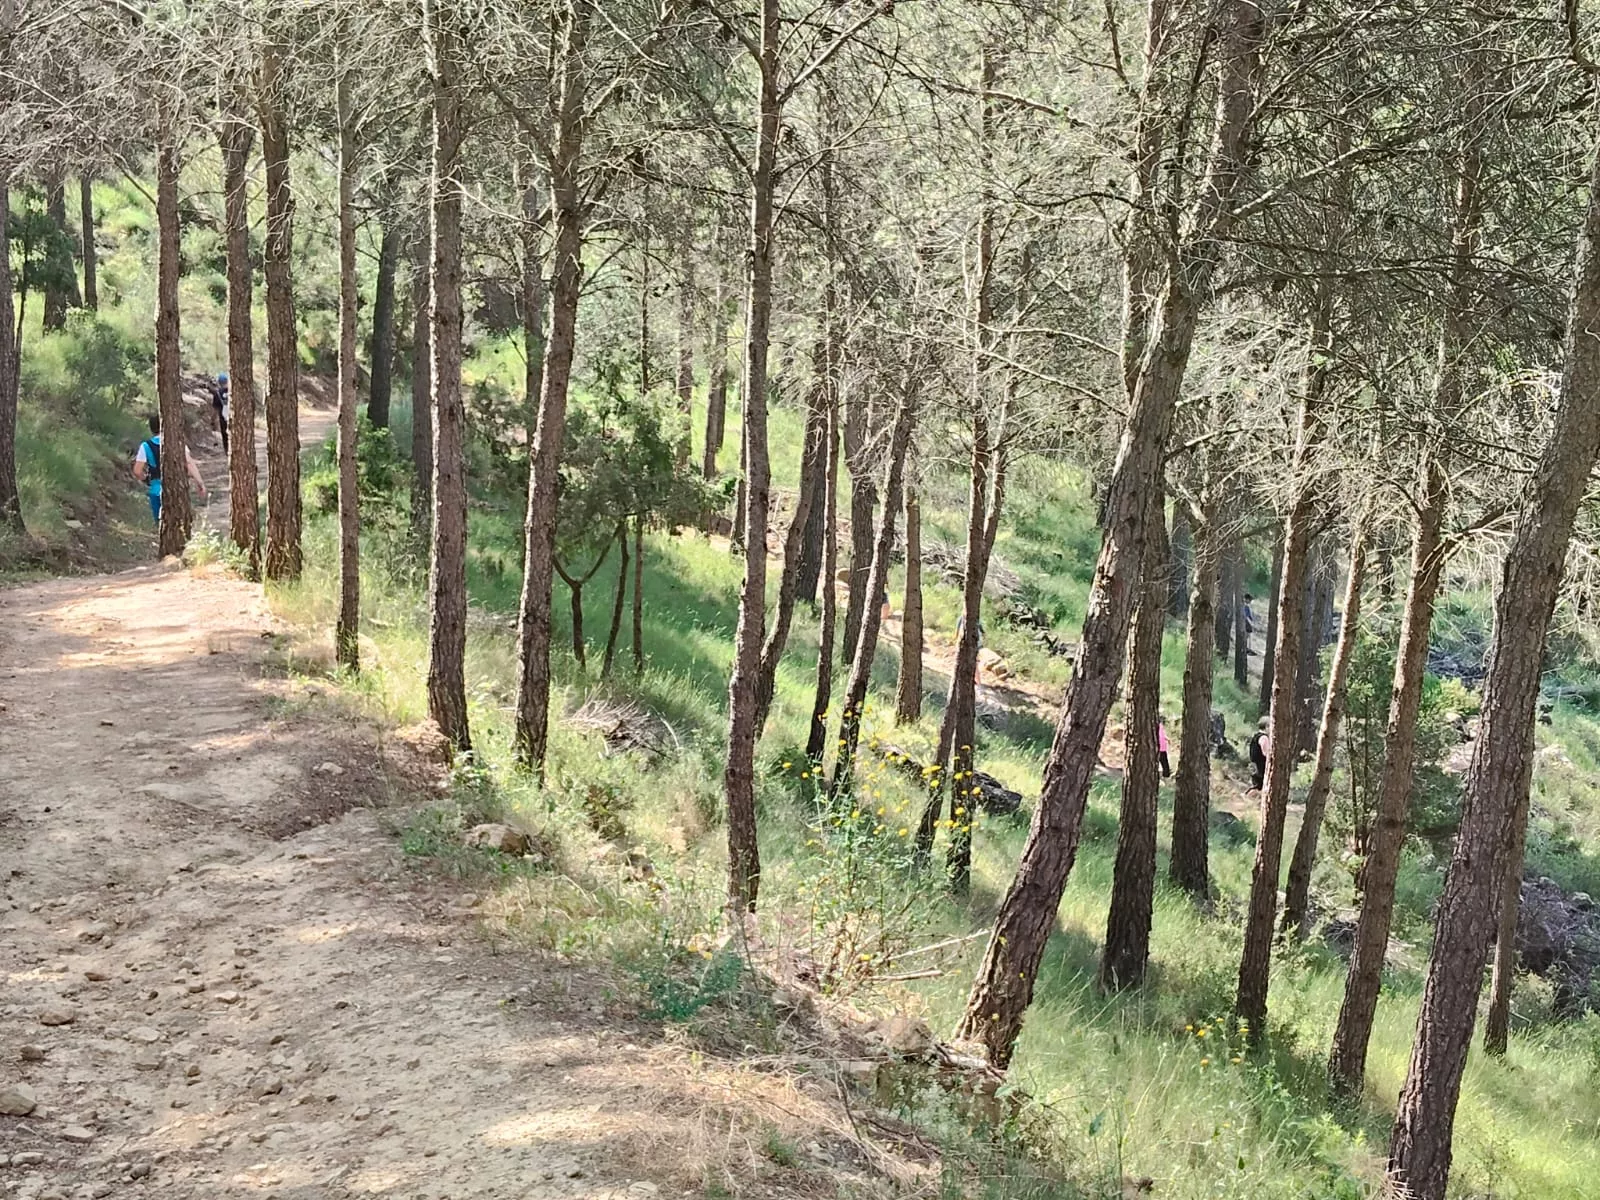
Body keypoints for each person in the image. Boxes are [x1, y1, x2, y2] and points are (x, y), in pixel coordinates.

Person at [133, 414, 208, 525]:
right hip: (177, 488)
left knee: (161, 525)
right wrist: (200, 483)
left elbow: (137, 471)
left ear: (151, 428)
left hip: (156, 490)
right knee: (179, 523)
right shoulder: (177, 443)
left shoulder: (145, 446)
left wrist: (146, 479)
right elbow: (189, 463)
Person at [1247, 717, 1270, 791]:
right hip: (1261, 767)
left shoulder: (1255, 736)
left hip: (1254, 765)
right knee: (1260, 787)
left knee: (1256, 785)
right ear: (1266, 726)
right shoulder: (1264, 738)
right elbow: (1266, 753)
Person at [210, 371, 230, 454]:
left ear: (219, 382)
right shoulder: (233, 391)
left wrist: (213, 420)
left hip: (223, 417)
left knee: (225, 434)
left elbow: (215, 409)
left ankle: (227, 451)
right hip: (234, 417)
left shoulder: (217, 394)